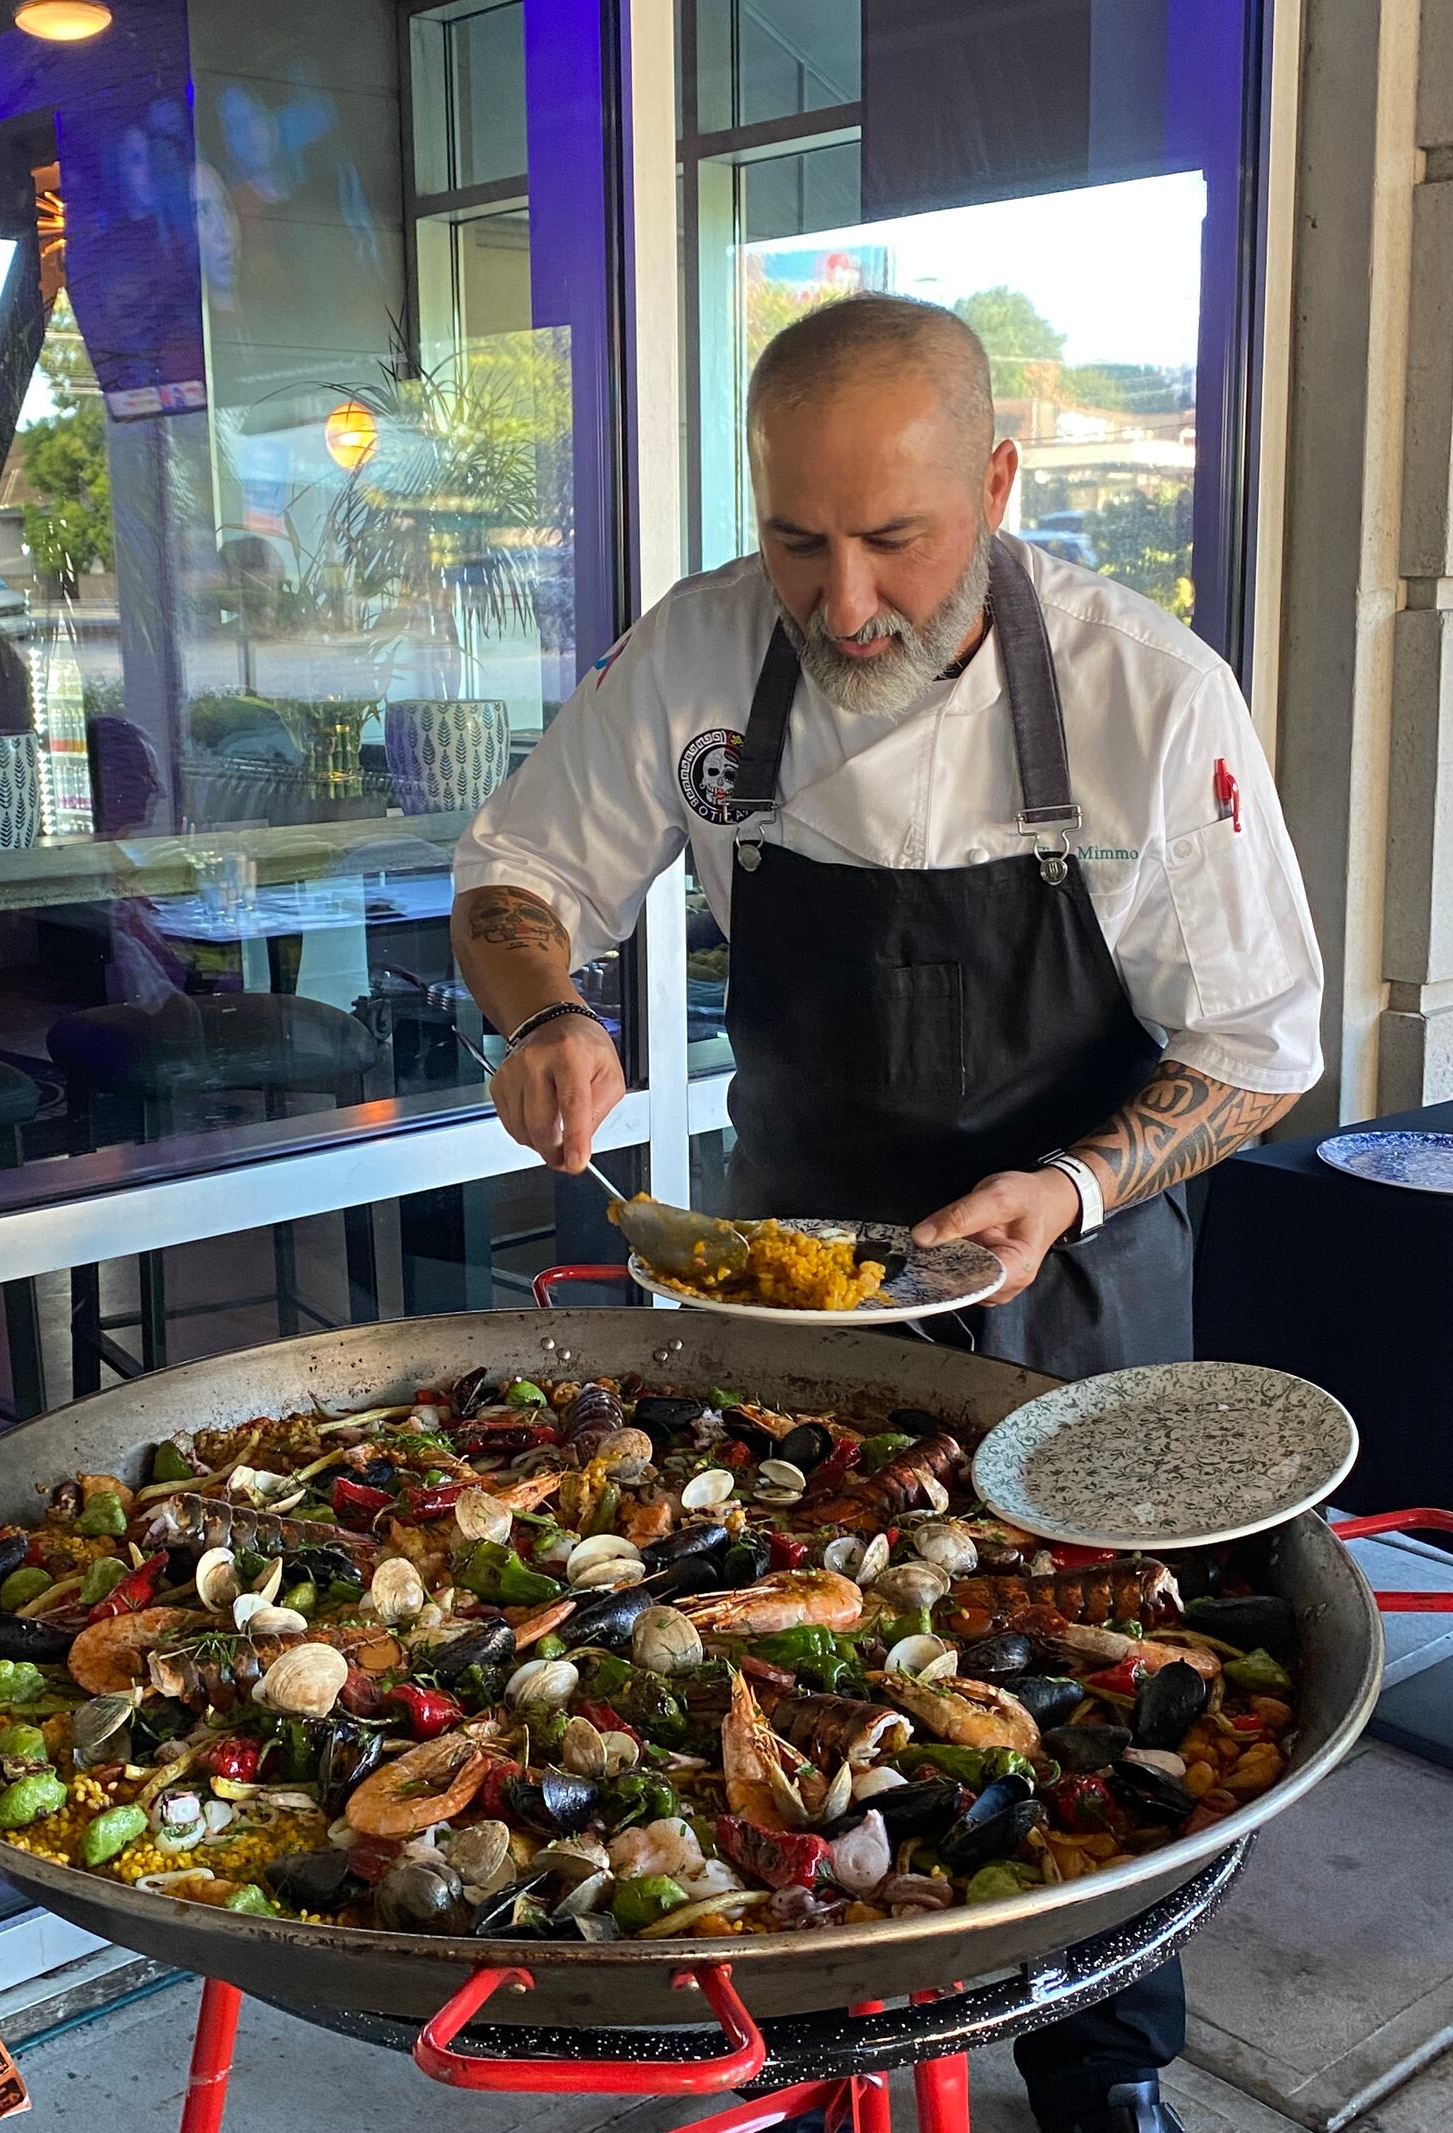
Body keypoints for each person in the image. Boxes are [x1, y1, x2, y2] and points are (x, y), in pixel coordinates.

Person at [449, 295, 1322, 2133]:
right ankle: (795, 2012)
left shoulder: (1149, 696)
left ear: (999, 484)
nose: (842, 601)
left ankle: (1104, 2070)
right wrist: (548, 1006)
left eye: (897, 540)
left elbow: (1264, 1048)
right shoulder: (699, 657)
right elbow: (518, 873)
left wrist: (1072, 1182)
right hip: (796, 1282)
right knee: (764, 1660)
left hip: (1070, 1273)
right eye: (796, 540)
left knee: (1106, 1690)